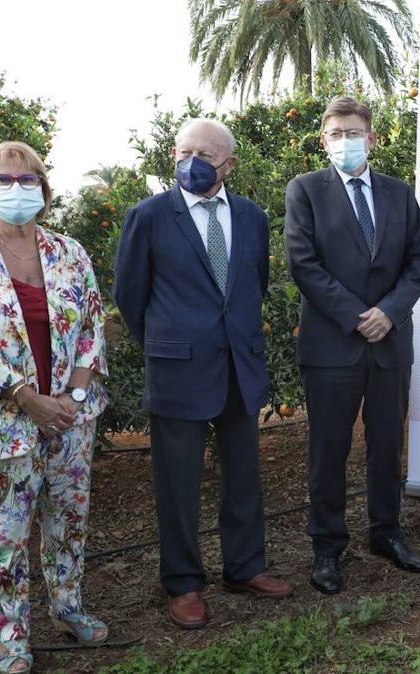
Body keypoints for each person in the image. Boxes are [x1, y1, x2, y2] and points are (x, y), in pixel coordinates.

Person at [0, 141, 109, 673]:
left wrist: (72, 400)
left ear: (44, 189)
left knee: (69, 520)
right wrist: (29, 400)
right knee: (5, 534)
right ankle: (12, 635)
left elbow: (92, 328)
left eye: (27, 179)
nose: (16, 189)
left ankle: (69, 606)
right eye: (2, 180)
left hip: (70, 418)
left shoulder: (69, 253)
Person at [114, 118, 292, 629]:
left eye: (205, 155)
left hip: (239, 364)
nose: (191, 161)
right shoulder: (147, 216)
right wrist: (167, 341)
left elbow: (251, 286)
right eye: (183, 150)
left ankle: (245, 566)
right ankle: (184, 583)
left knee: (244, 476)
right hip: (178, 370)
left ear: (228, 164)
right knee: (178, 482)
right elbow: (130, 295)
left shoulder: (253, 217)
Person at [285, 96, 420, 594]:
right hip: (332, 347)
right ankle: (328, 547)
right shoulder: (305, 191)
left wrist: (388, 313)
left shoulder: (399, 194)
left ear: (371, 138)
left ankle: (385, 533)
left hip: (390, 343)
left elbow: (418, 261)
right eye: (335, 134)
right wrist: (355, 316)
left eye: (353, 133)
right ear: (323, 141)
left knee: (388, 444)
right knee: (329, 449)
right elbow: (303, 264)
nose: (344, 142)